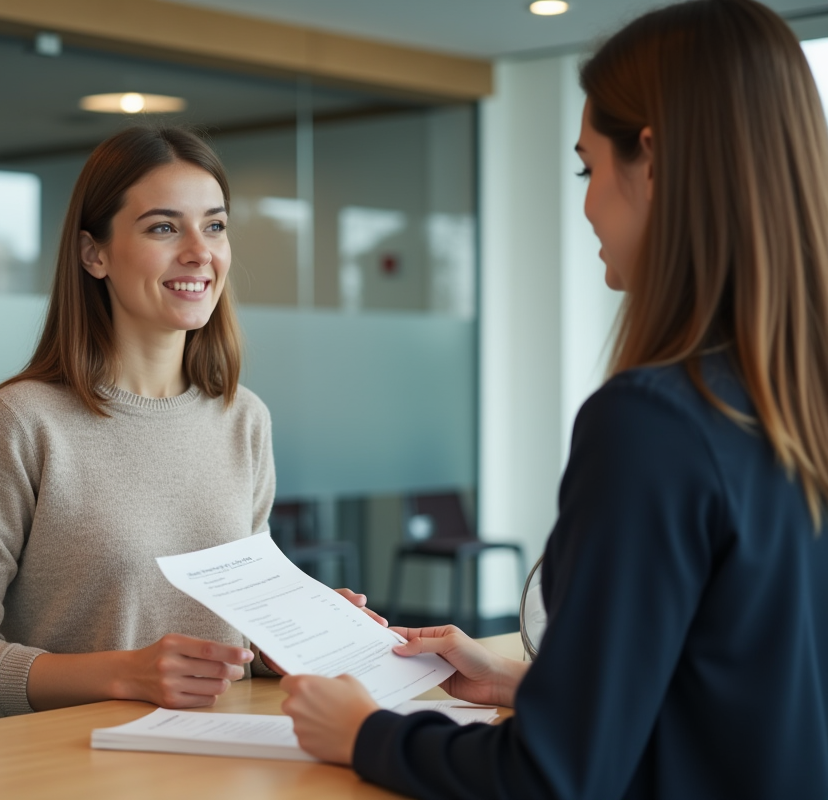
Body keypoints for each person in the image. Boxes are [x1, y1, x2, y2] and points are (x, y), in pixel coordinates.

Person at [280, 1, 828, 797]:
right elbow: (746, 694)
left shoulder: (656, 422)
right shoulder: (792, 405)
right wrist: (521, 686)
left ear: (654, 159)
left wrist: (368, 734)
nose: (586, 205)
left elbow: (553, 778)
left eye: (587, 168)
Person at [0, 127, 316, 719]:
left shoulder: (243, 419)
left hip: (216, 764)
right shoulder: (22, 422)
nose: (200, 252)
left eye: (215, 225)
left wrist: (289, 639)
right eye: (162, 227)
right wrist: (126, 673)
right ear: (93, 254)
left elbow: (230, 640)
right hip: (70, 769)